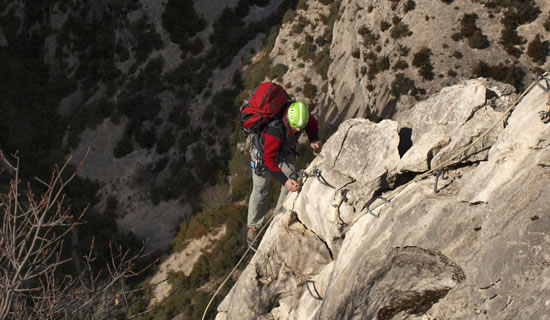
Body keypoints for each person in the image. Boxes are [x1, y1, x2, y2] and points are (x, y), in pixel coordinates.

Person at [247, 101, 322, 245]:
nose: (297, 131)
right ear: (288, 119)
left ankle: (279, 217)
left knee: (293, 178)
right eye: (294, 127)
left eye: (300, 128)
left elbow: (312, 124)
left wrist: (314, 139)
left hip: (283, 151)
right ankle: (253, 226)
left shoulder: (303, 117)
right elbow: (268, 161)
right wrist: (285, 181)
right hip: (263, 154)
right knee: (261, 188)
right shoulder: (274, 130)